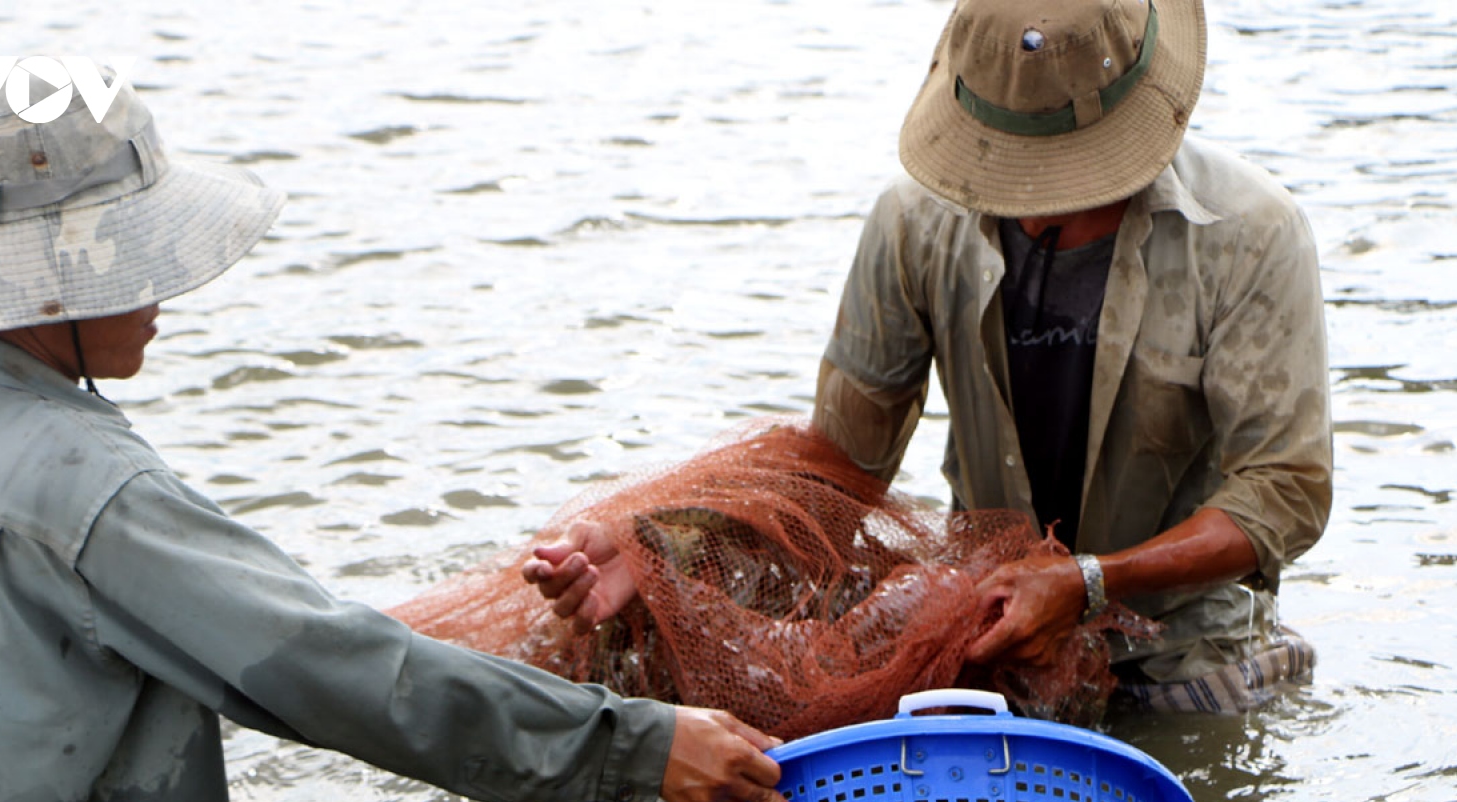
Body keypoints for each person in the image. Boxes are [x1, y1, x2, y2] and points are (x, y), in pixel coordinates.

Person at [0, 70, 806, 802]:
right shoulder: (88, 494)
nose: (162, 288)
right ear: (57, 275)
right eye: (134, 253)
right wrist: (642, 744)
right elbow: (335, 670)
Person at [527, 0, 1331, 714]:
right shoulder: (915, 223)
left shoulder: (1250, 232)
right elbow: (839, 471)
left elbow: (1284, 495)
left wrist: (1089, 581)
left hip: (1180, 646)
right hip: (987, 636)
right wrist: (665, 550)